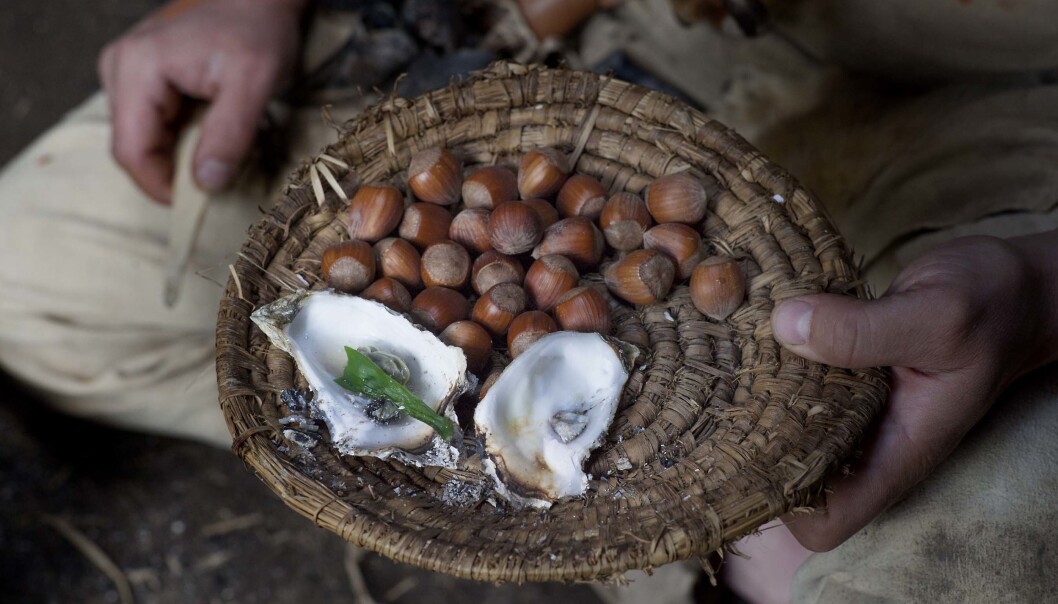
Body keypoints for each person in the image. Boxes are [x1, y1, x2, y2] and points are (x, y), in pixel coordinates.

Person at [0, 0, 1056, 602]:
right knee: (26, 277)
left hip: (990, 128)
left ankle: (640, 525)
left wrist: (1038, 286)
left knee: (920, 568)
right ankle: (537, 479)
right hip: (577, 36)